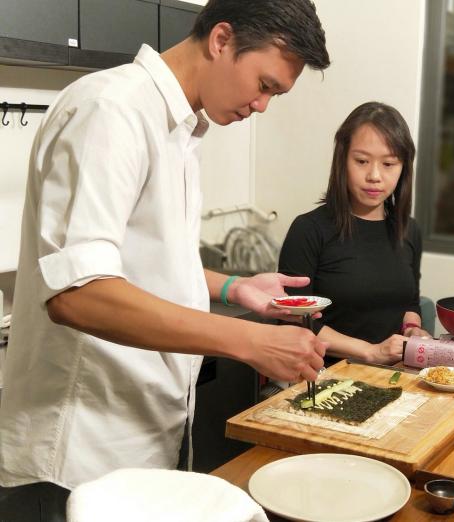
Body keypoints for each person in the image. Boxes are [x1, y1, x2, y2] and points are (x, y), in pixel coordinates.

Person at [0, 1, 330, 520]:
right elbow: (76, 293)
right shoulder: (111, 110)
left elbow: (141, 263)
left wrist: (231, 289)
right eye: (265, 85)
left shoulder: (180, 129)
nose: (262, 106)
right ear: (222, 40)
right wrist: (250, 340)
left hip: (147, 436)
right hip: (78, 458)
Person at [278, 102, 430, 367]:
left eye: (389, 164)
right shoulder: (309, 230)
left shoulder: (409, 229)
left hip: (392, 375)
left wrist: (411, 329)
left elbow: (410, 302)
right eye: (361, 161)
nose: (374, 176)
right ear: (342, 160)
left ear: (403, 168)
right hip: (326, 377)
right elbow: (295, 320)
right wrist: (369, 351)